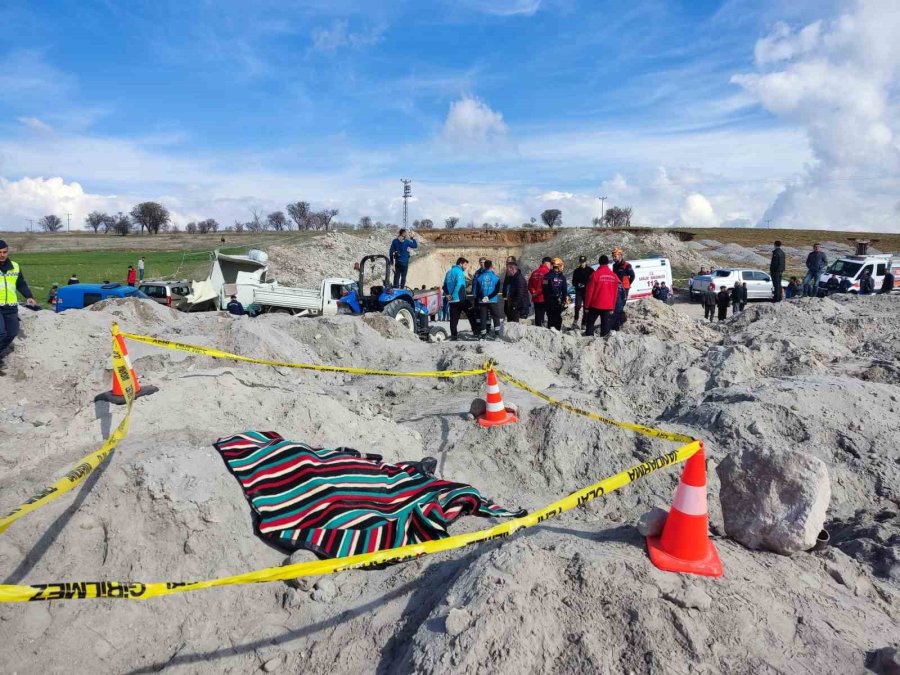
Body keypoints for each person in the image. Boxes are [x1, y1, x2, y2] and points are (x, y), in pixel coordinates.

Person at [0, 241, 37, 369]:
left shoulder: (15, 266)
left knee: (12, 332)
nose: (2, 255)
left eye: (4, 252)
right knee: (1, 333)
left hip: (10, 306)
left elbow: (21, 284)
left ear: (8, 252)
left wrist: (29, 296)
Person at [583, 254, 618, 337]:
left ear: (599, 263)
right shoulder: (614, 276)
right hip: (608, 306)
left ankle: (589, 340)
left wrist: (586, 306)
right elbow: (615, 293)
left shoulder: (595, 275)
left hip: (595, 305)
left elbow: (589, 292)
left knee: (590, 323)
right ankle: (604, 343)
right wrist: (613, 307)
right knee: (605, 325)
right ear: (607, 263)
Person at [443, 257, 476, 340]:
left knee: (454, 319)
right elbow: (459, 285)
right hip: (460, 299)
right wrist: (453, 295)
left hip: (452, 301)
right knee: (471, 312)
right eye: (465, 265)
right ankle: (476, 331)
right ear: (460, 263)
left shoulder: (448, 272)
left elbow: (444, 286)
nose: (466, 267)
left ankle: (454, 335)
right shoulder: (459, 272)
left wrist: (447, 295)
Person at [473, 260, 504, 339]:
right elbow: (496, 291)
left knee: (483, 317)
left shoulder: (479, 278)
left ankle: (483, 335)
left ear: (485, 266)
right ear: (491, 266)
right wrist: (489, 297)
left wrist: (484, 297)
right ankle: (497, 335)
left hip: (482, 301)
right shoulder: (496, 278)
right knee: (495, 316)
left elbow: (477, 291)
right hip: (492, 300)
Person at [611, 247, 635, 330]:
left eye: (615, 256)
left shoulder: (627, 265)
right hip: (616, 288)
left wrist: (627, 284)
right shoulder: (614, 266)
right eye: (613, 256)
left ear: (620, 255)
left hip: (624, 288)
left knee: (620, 305)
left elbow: (632, 276)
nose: (614, 258)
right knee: (617, 305)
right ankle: (620, 321)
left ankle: (619, 323)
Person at [542, 257, 568, 331]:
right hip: (554, 301)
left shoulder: (547, 276)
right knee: (556, 319)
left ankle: (552, 332)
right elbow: (564, 291)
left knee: (552, 318)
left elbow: (544, 289)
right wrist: (563, 300)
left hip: (551, 301)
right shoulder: (559, 277)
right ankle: (555, 333)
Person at [571, 255, 593, 330]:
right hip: (579, 291)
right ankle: (576, 319)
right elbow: (573, 281)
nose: (582, 263)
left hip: (587, 292)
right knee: (577, 306)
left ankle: (584, 323)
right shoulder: (576, 271)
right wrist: (578, 284)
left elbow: (593, 281)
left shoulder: (591, 270)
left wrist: (587, 285)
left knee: (586, 308)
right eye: (581, 262)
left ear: (586, 262)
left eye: (583, 262)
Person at [528, 257, 552, 327]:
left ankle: (537, 329)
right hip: (544, 297)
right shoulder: (547, 273)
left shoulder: (534, 272)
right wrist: (538, 292)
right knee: (545, 315)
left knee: (537, 315)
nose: (550, 266)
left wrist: (533, 292)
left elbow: (529, 285)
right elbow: (545, 286)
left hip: (535, 298)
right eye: (550, 264)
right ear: (547, 263)